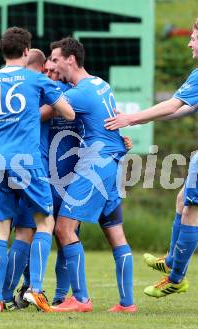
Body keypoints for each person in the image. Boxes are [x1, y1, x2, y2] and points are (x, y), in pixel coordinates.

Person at [105, 17, 198, 297]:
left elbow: (173, 103)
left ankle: (176, 278)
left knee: (192, 211)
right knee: (182, 199)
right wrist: (150, 119)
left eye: (194, 38)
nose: (189, 42)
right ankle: (171, 260)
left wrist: (132, 118)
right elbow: (187, 107)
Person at [0, 27, 74, 312]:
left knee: (0, 228)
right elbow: (68, 112)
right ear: (25, 51)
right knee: (44, 221)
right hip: (26, 163)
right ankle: (36, 289)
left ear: (3, 51)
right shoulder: (35, 80)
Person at [48, 36, 137, 313]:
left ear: (70, 59)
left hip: (96, 164)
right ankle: (127, 303)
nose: (54, 65)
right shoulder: (101, 84)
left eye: (56, 59)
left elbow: (44, 113)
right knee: (115, 234)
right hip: (113, 163)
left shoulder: (78, 93)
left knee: (63, 228)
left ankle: (81, 299)